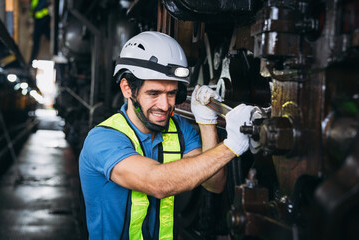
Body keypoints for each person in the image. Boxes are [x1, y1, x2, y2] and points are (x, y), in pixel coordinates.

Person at [79, 31, 253, 240]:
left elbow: (214, 183)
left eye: (171, 93)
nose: (165, 105)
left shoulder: (179, 128)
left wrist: (207, 123)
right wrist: (231, 145)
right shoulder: (103, 139)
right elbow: (157, 183)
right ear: (127, 88)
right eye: (154, 93)